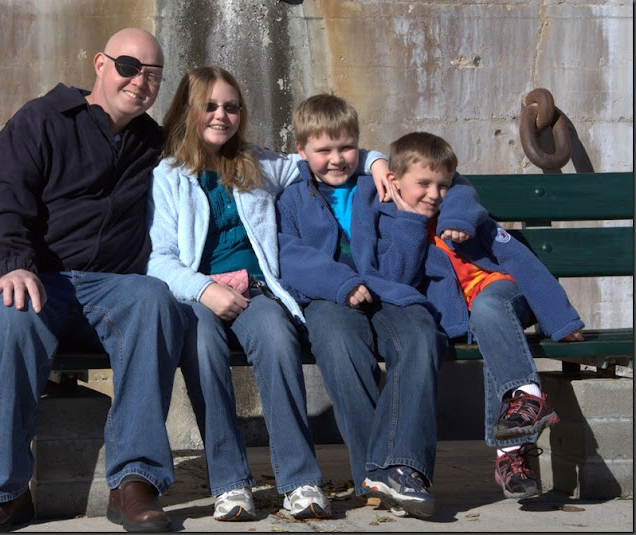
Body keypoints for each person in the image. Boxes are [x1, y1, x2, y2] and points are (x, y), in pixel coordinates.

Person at [0, 28, 186, 533]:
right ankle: (5, 492)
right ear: (100, 64)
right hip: (33, 279)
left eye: (153, 75)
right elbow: (0, 197)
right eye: (128, 67)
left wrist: (353, 162)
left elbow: (229, 156)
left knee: (152, 299)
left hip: (108, 289)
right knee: (13, 313)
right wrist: (13, 263)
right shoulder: (41, 120)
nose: (140, 81)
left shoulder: (153, 142)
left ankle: (134, 482)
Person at [146, 67, 390, 522]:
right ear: (187, 111)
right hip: (198, 297)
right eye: (210, 106)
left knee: (278, 337)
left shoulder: (255, 163)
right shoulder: (169, 175)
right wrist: (205, 289)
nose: (222, 115)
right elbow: (158, 259)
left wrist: (375, 161)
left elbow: (321, 155)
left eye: (232, 107)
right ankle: (230, 484)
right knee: (202, 348)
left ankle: (299, 481)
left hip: (256, 291)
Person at [276, 94, 487, 518]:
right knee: (339, 344)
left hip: (390, 291)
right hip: (327, 297)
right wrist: (341, 282)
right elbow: (288, 254)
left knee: (421, 334)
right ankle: (381, 473)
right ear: (301, 150)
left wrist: (408, 220)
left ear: (360, 144)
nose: (337, 159)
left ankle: (398, 470)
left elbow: (403, 267)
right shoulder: (291, 198)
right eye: (324, 150)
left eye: (346, 147)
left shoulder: (379, 186)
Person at [367, 131, 584, 499]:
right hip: (472, 320)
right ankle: (510, 456)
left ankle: (529, 395)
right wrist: (410, 224)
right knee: (487, 324)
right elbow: (395, 280)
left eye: (442, 185)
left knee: (488, 308)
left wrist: (561, 321)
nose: (434, 194)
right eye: (423, 184)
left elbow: (522, 262)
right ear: (394, 180)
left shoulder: (467, 219)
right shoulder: (390, 225)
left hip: (504, 294)